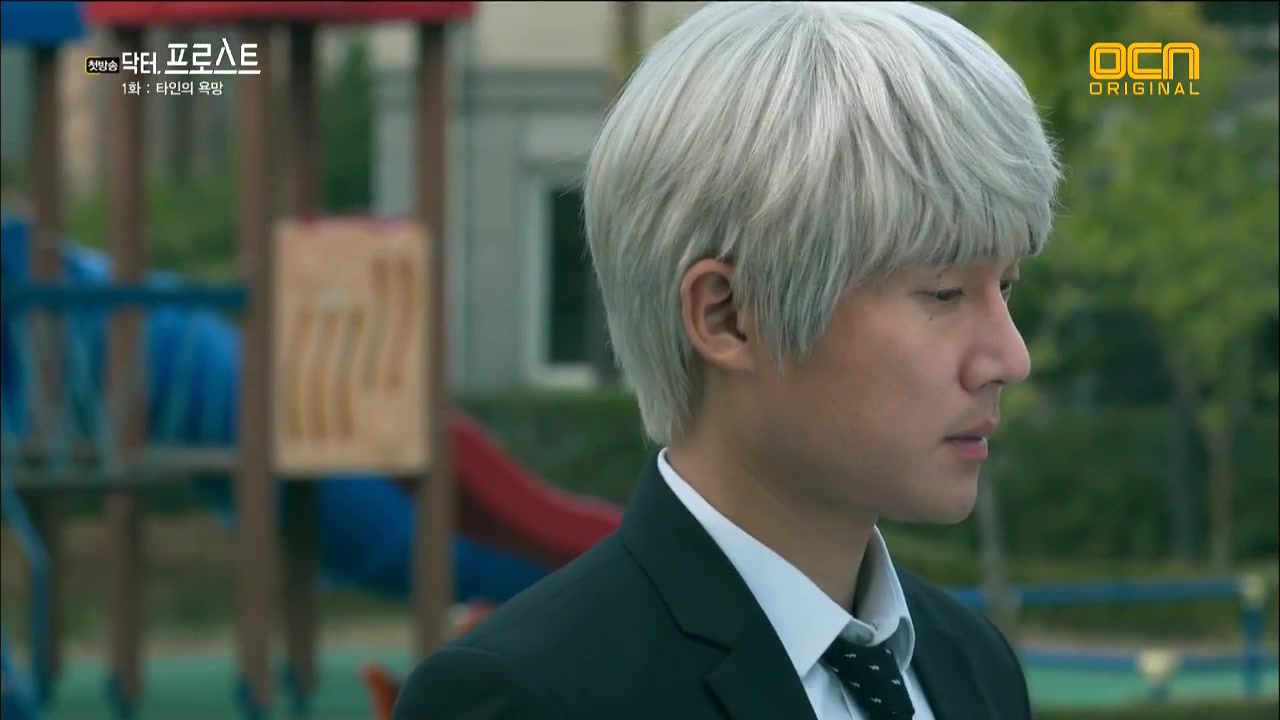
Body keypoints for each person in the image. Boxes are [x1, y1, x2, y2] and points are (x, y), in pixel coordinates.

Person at [394, 1, 1062, 718]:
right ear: (726, 316)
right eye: (944, 293)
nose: (1010, 358)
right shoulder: (531, 696)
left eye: (1006, 286)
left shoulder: (972, 665)